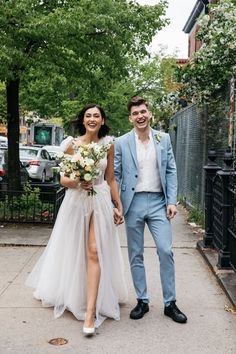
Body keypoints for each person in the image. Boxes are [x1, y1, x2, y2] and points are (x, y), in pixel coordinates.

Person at [26, 103, 128, 336]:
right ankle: (74, 294)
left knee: (94, 251)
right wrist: (78, 182)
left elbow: (110, 178)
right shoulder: (71, 145)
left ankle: (90, 312)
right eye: (88, 116)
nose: (92, 119)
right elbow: (63, 179)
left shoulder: (108, 145)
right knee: (74, 251)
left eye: (97, 116)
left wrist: (118, 204)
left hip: (100, 200)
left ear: (103, 121)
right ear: (83, 120)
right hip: (76, 201)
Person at [114, 96, 187, 324]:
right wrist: (116, 205)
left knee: (165, 250)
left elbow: (171, 170)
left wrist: (172, 201)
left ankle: (170, 303)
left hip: (158, 202)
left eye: (143, 111)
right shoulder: (122, 142)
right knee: (135, 253)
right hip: (132, 202)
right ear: (130, 118)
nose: (140, 116)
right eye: (135, 113)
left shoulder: (163, 138)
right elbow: (115, 175)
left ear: (150, 114)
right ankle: (142, 300)